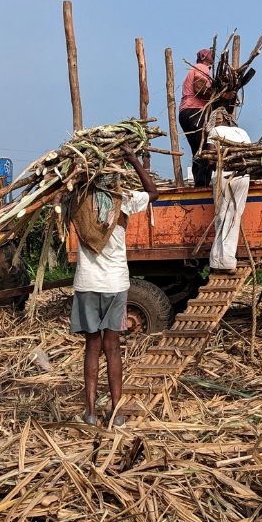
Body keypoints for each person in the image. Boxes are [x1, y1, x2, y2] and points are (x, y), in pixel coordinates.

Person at [70, 149, 159, 427]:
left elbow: (67, 185)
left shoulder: (80, 200)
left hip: (87, 285)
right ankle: (117, 412)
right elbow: (153, 193)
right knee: (113, 348)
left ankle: (90, 412)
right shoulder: (124, 201)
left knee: (92, 347)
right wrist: (134, 160)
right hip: (116, 285)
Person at [205, 108, 252, 272]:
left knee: (221, 215)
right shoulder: (242, 132)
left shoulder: (215, 131)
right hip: (243, 176)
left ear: (217, 120)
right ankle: (221, 260)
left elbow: (211, 157)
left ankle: (222, 261)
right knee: (234, 216)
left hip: (223, 175)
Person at [179, 48, 215, 186]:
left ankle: (199, 183)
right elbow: (199, 89)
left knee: (197, 150)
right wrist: (218, 93)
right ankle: (202, 185)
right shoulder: (201, 67)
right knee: (205, 148)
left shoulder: (194, 69)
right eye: (211, 55)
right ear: (204, 57)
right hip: (195, 111)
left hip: (185, 112)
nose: (213, 57)